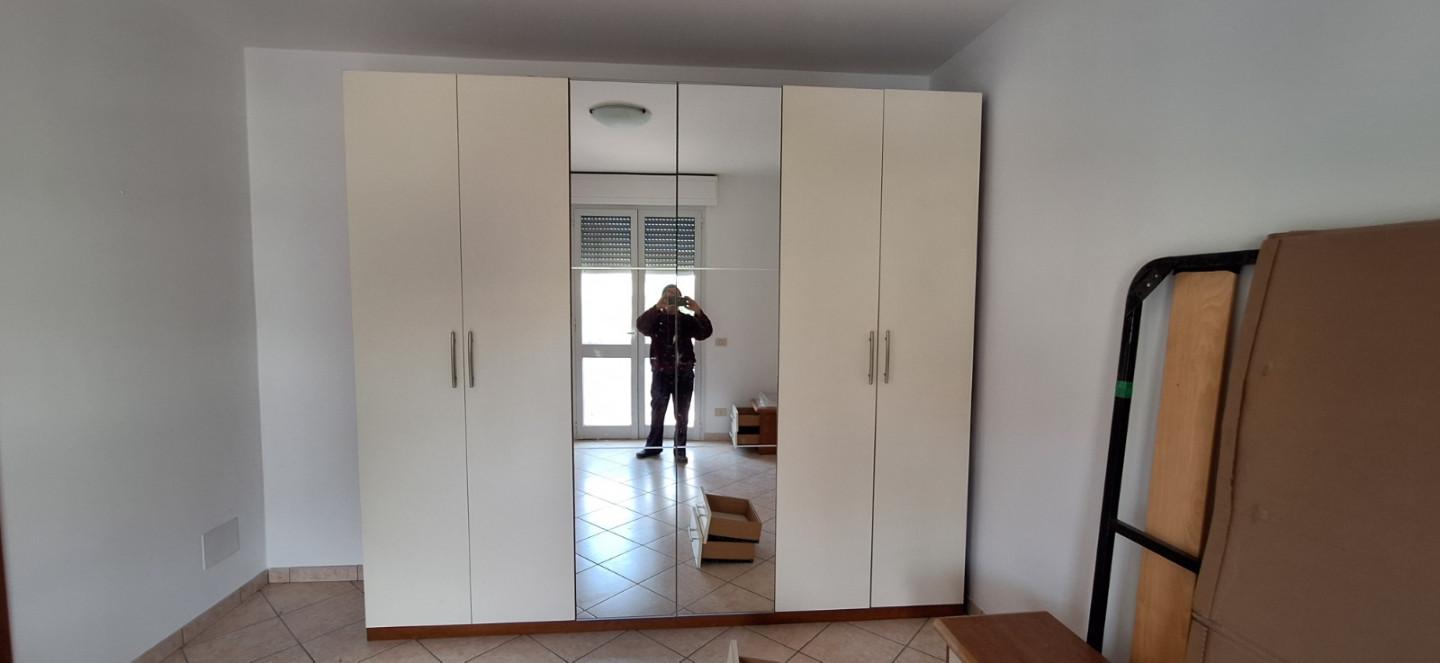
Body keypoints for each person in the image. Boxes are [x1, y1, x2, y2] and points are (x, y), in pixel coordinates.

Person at [634, 285, 712, 462]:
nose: (671, 300)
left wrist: (698, 311)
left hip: (683, 373)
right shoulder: (656, 318)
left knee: (682, 414)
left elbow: (705, 333)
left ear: (680, 300)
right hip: (661, 373)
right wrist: (657, 307)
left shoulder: (686, 320)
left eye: (675, 297)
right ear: (662, 298)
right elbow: (641, 326)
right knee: (657, 412)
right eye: (667, 296)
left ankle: (680, 450)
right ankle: (653, 447)